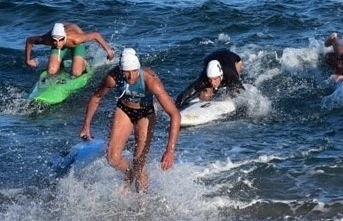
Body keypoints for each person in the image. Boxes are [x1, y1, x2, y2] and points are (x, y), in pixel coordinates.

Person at [79, 48, 181, 192]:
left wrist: (170, 150)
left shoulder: (150, 81)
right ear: (120, 70)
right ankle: (130, 175)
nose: (130, 76)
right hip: (124, 110)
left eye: (133, 71)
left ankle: (142, 202)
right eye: (126, 72)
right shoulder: (112, 78)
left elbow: (175, 114)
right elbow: (96, 97)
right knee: (113, 158)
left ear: (138, 68)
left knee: (139, 162)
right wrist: (86, 125)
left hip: (145, 114)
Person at [25, 22, 115, 77]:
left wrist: (109, 50)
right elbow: (29, 40)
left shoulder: (76, 39)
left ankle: (83, 63)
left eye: (60, 40)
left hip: (76, 44)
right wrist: (28, 60)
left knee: (76, 73)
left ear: (64, 38)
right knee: (51, 71)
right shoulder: (48, 39)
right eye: (54, 40)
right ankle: (60, 63)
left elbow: (96, 35)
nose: (57, 43)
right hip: (60, 31)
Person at [175, 49, 244, 109]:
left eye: (215, 79)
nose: (212, 82)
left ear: (220, 75)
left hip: (232, 58)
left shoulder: (230, 73)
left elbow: (241, 91)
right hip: (211, 58)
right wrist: (178, 105)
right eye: (210, 79)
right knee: (204, 94)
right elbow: (186, 93)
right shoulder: (204, 78)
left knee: (233, 91)